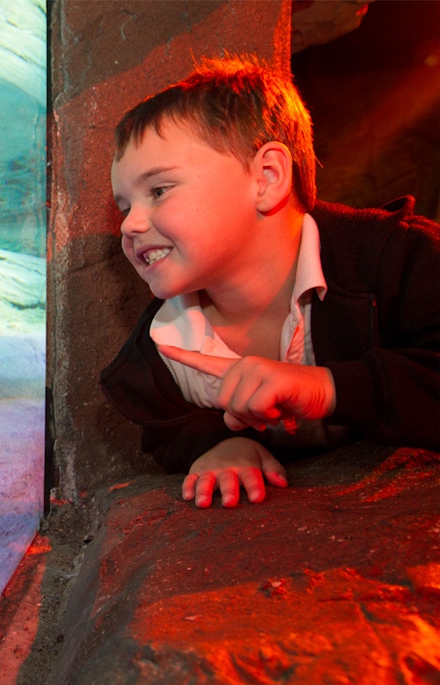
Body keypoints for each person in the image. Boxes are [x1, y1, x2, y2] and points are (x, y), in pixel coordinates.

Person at [99, 56, 440, 509]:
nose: (130, 225)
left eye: (158, 191)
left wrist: (329, 387)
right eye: (125, 207)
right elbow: (169, 431)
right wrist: (219, 444)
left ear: (267, 178)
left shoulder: (401, 262)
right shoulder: (158, 352)